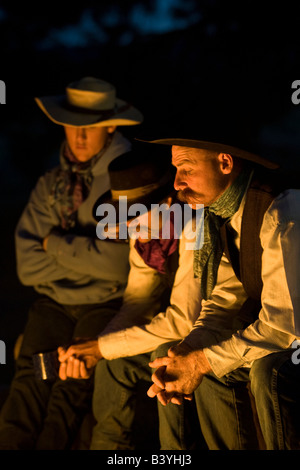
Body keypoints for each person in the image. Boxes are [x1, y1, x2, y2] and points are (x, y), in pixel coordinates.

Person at [0, 77, 143, 450]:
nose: (79, 137)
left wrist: (55, 244)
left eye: (90, 127)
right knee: (28, 382)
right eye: (72, 126)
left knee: (72, 383)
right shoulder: (52, 183)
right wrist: (88, 253)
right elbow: (27, 267)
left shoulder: (128, 181)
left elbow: (117, 266)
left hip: (108, 301)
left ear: (111, 125)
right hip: (54, 303)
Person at [146, 132, 300, 450]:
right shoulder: (223, 216)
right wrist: (190, 350)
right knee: (193, 362)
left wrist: (201, 362)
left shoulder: (281, 209)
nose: (176, 183)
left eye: (186, 168)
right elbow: (225, 296)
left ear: (225, 163)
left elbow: (284, 324)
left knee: (269, 370)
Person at [58, 147, 206, 450]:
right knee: (112, 363)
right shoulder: (147, 237)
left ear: (167, 203)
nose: (129, 227)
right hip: (187, 334)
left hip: (219, 336)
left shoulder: (194, 228)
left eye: (135, 215)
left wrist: (102, 347)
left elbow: (182, 322)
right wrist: (96, 348)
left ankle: (175, 452)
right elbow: (138, 302)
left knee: (167, 355)